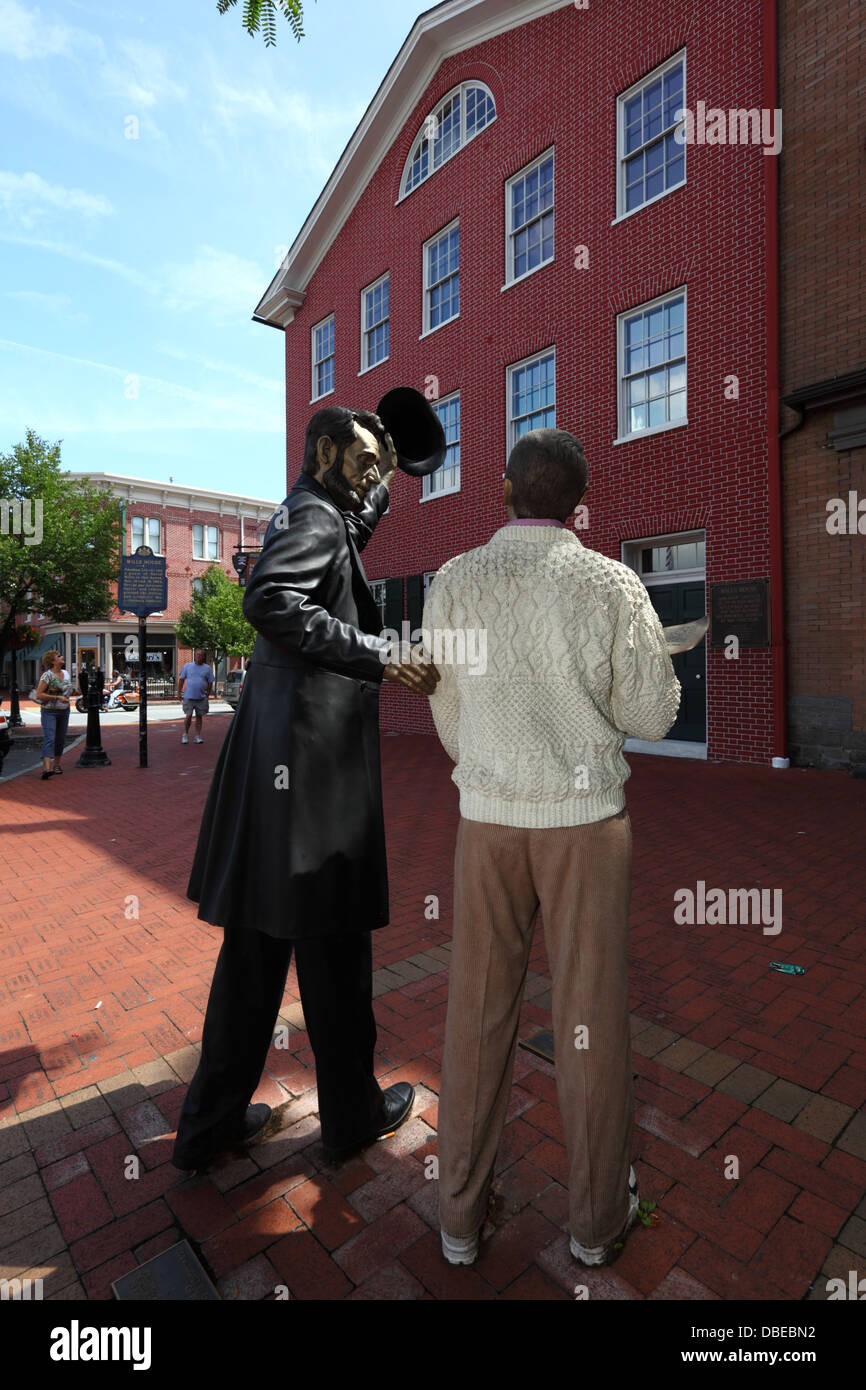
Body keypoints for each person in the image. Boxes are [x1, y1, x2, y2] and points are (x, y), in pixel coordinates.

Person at [423, 427, 681, 1269]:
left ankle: (459, 1218)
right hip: (584, 824)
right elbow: (652, 716)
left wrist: (492, 759)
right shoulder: (613, 584)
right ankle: (598, 1222)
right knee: (591, 1017)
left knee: (478, 1010)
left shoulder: (454, 582)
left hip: (488, 819)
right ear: (577, 504)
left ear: (502, 491)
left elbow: (450, 713)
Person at [171, 405, 439, 1172]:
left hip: (275, 777)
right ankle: (351, 1117)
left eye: (378, 470)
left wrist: (384, 468)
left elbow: (346, 532)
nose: (371, 481)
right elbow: (271, 600)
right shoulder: (318, 520)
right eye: (362, 463)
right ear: (325, 452)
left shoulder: (316, 509)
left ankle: (209, 1125)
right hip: (315, 782)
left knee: (253, 965)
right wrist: (379, 653)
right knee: (337, 958)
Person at [35, 651, 78, 779]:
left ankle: (56, 765)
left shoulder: (66, 674)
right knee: (50, 738)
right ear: (52, 661)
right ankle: (46, 768)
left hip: (64, 710)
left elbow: (68, 691)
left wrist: (76, 690)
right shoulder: (47, 676)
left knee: (60, 738)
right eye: (59, 656)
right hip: (49, 711)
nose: (62, 657)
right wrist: (57, 697)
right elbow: (39, 694)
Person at [177, 649, 214, 744]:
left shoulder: (207, 668)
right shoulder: (187, 666)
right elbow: (181, 680)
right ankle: (185, 734)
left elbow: (210, 682)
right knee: (188, 716)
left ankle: (197, 736)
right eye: (197, 655)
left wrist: (208, 694)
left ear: (203, 657)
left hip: (201, 697)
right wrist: (179, 693)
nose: (199, 656)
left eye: (201, 655)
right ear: (195, 656)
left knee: (199, 716)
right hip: (188, 696)